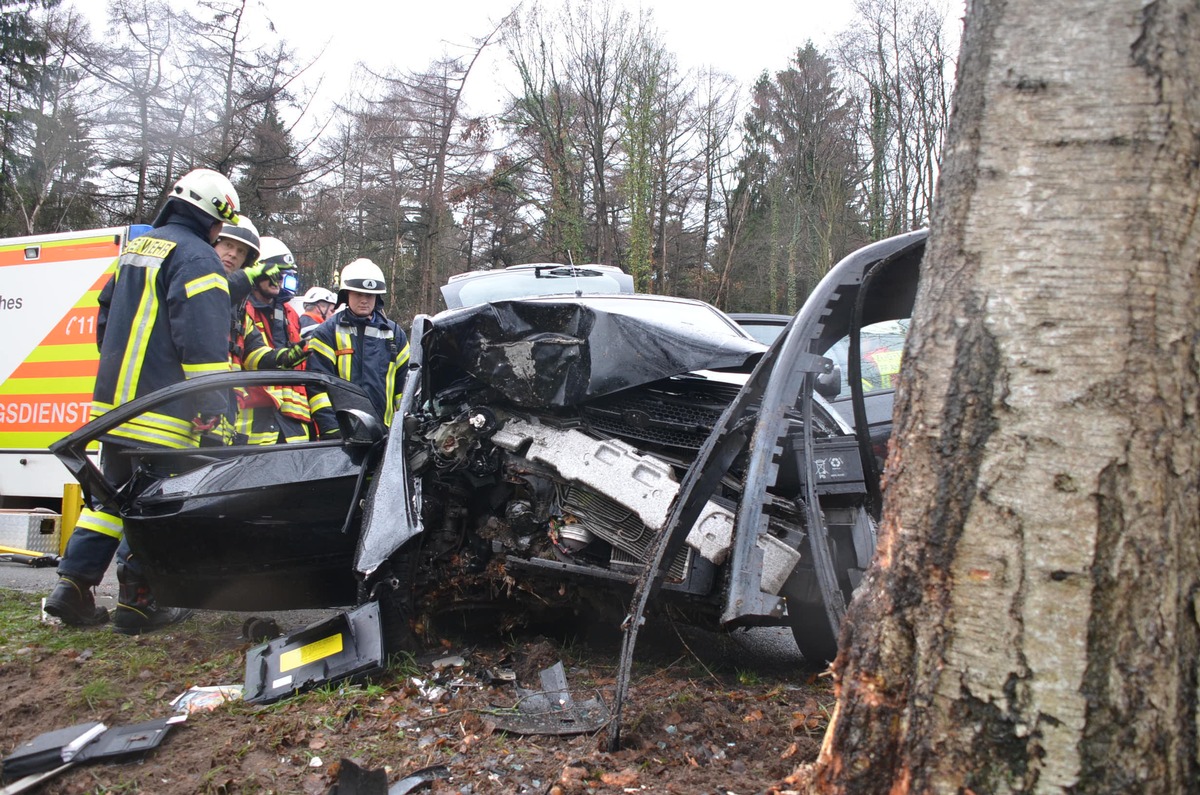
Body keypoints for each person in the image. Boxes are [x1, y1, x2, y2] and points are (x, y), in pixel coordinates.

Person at [44, 167, 239, 634]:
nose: (220, 235)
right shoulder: (198, 259)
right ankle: (139, 600)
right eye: (221, 224)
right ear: (210, 214)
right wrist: (214, 406)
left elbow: (104, 320)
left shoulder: (137, 251)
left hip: (114, 410)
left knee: (109, 502)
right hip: (164, 413)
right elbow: (204, 343)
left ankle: (72, 587)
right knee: (154, 505)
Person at [306, 258, 409, 437]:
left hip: (385, 435)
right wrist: (332, 430)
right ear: (346, 294)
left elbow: (404, 389)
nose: (364, 300)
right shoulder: (327, 333)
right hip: (342, 436)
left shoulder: (394, 334)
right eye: (358, 294)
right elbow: (317, 389)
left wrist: (404, 427)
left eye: (369, 295)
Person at [235, 236, 312, 444]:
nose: (279, 280)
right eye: (275, 273)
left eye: (284, 275)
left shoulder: (289, 313)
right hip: (254, 420)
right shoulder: (241, 309)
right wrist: (287, 357)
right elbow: (252, 356)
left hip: (294, 423)